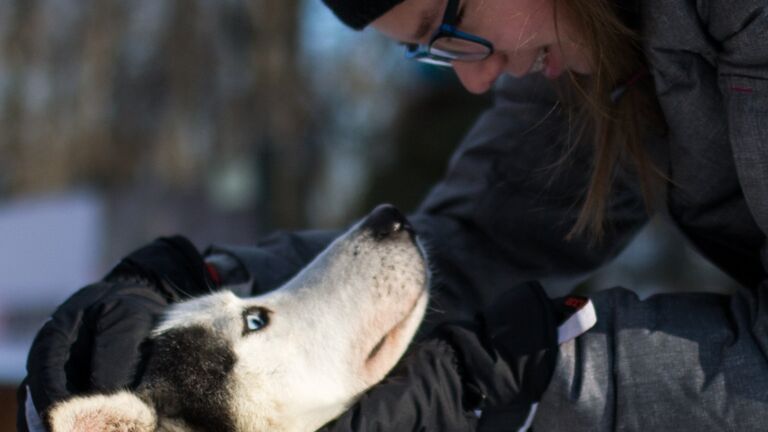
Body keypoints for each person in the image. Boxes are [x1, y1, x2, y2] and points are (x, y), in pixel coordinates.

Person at [17, 0, 768, 430]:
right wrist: (186, 286)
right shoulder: (587, 41)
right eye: (433, 52)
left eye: (449, 19)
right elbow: (482, 241)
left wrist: (507, 383)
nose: (475, 77)